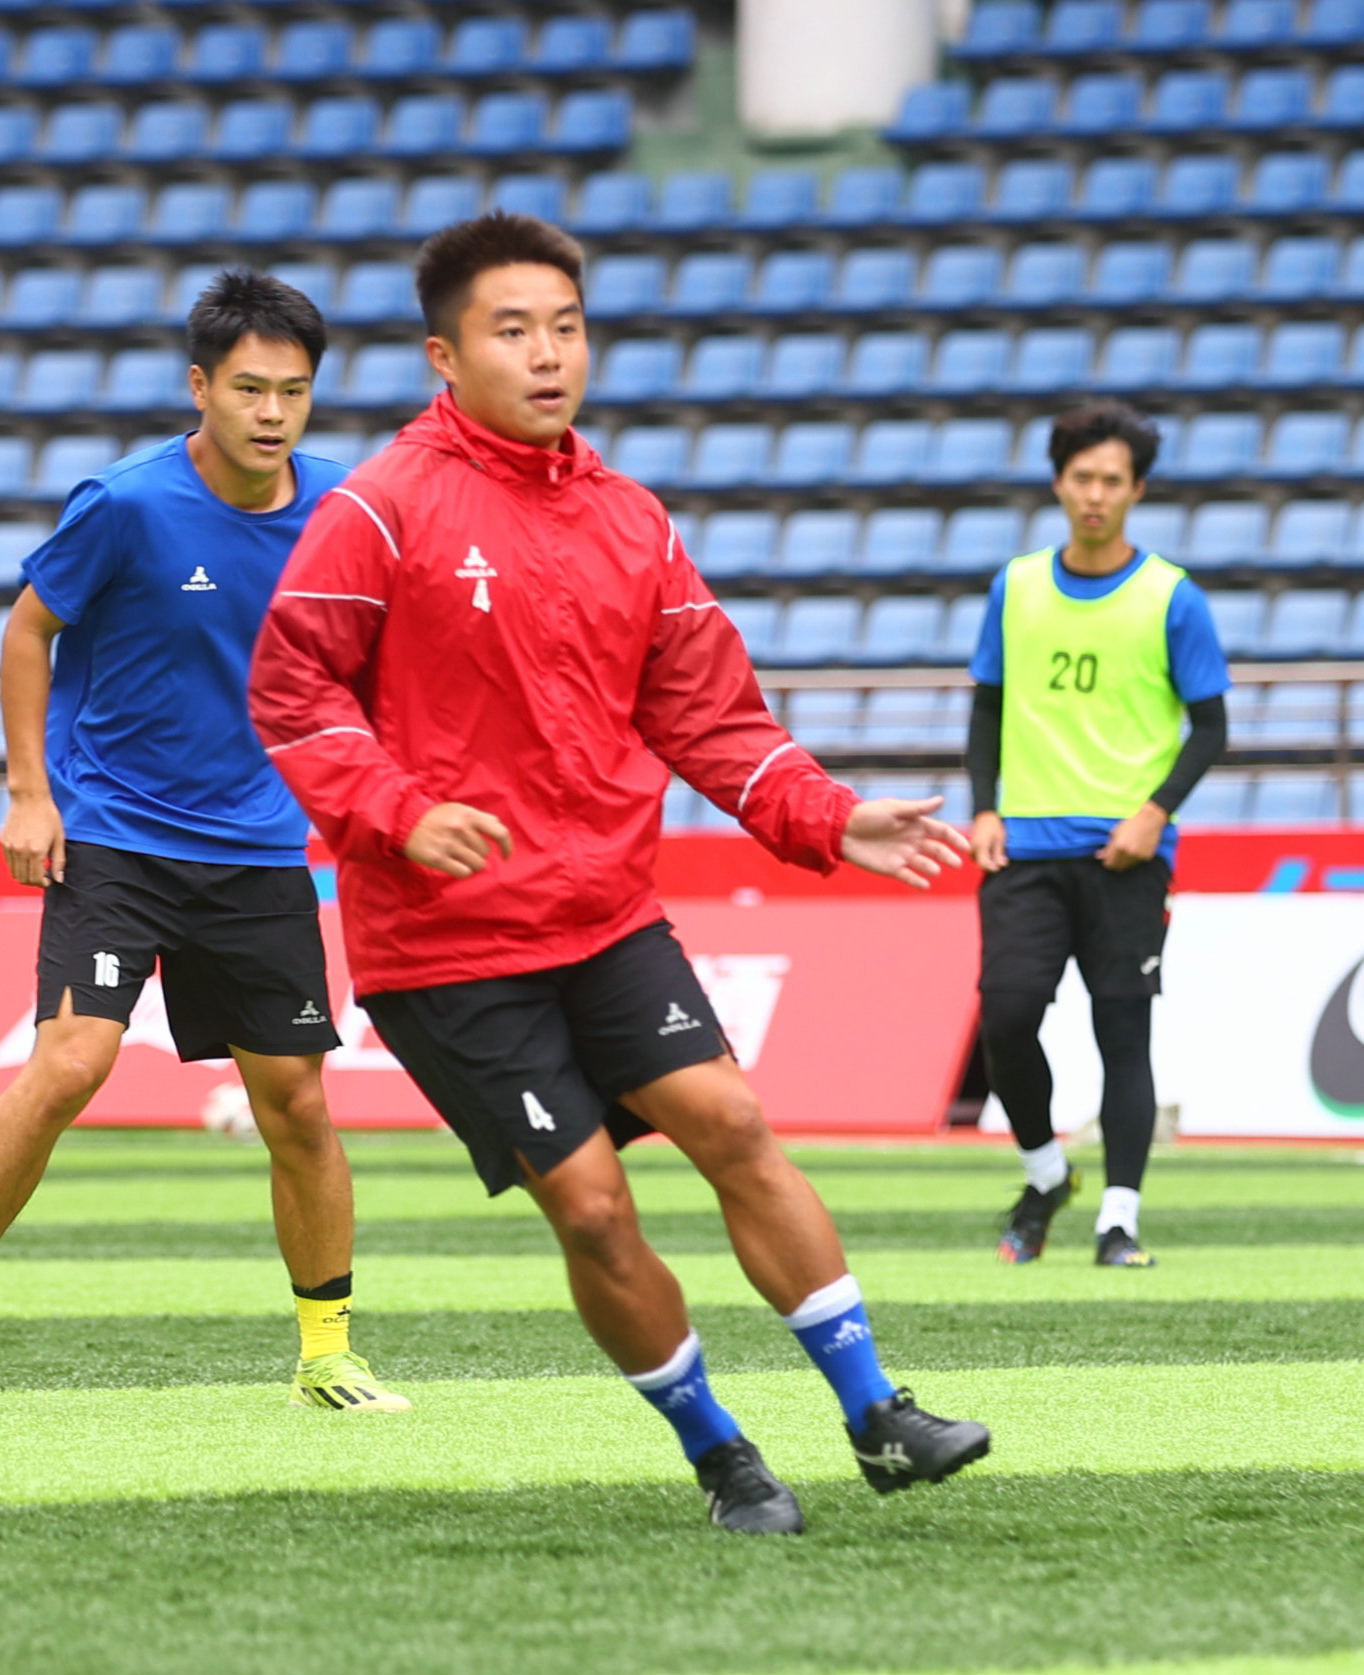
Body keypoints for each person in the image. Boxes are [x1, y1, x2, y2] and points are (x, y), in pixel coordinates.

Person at [246, 213, 990, 1536]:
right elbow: (293, 688)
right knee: (592, 1208)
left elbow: (714, 717)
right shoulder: (378, 507)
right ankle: (721, 1456)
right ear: (444, 356)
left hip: (602, 911)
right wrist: (399, 814)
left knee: (734, 1124)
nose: (548, 354)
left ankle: (878, 1412)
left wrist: (829, 819)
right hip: (446, 946)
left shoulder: (629, 519)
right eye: (512, 330)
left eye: (566, 327)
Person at [0, 271, 407, 1417]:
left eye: (293, 391)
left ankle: (327, 1355)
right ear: (199, 387)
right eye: (249, 389)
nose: (271, 412)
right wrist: (30, 794)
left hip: (259, 850)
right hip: (115, 836)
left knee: (297, 1105)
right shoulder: (124, 504)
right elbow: (27, 632)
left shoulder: (343, 508)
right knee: (70, 1063)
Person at [969, 400, 1231, 1270]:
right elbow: (987, 707)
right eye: (1082, 477)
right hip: (1024, 847)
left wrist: (1154, 812)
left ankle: (1118, 1221)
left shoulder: (1171, 596)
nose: (1094, 495)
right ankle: (1045, 1176)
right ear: (1058, 483)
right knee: (1006, 1016)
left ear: (1136, 490)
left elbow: (1211, 728)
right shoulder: (1015, 587)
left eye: (1111, 481)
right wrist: (983, 806)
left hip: (1126, 855)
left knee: (1123, 1033)